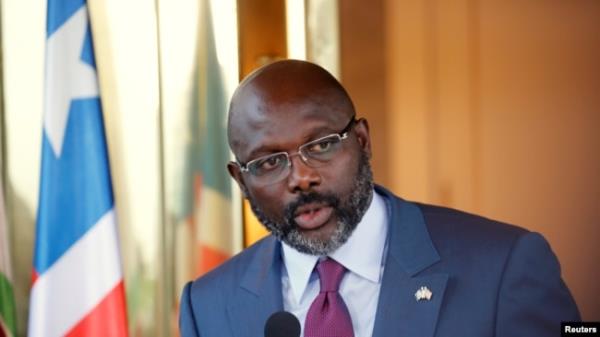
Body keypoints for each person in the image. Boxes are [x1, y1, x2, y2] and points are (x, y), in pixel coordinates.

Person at [179, 60, 579, 337]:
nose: (301, 178)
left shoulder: (504, 266)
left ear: (362, 141)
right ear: (241, 180)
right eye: (269, 163)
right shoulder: (208, 306)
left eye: (320, 145)